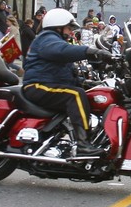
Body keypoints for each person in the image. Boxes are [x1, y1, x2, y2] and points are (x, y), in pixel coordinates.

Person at [22, 8, 115, 157]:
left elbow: (63, 73)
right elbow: (61, 51)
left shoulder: (54, 40)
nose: (71, 32)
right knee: (75, 95)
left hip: (48, 83)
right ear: (57, 26)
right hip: (37, 85)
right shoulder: (47, 38)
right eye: (69, 28)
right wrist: (92, 51)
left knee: (83, 91)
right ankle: (83, 145)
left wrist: (86, 83)